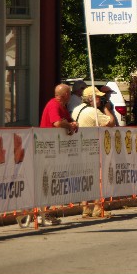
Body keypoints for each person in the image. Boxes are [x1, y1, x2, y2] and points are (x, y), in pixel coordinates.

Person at [35, 83, 78, 226]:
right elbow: (57, 123)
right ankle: (42, 214)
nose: (71, 95)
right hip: (47, 150)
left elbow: (67, 119)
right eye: (70, 93)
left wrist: (73, 123)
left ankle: (43, 213)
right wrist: (70, 125)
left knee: (51, 182)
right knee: (46, 182)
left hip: (54, 150)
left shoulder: (61, 107)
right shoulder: (54, 105)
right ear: (65, 94)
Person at [71, 86, 115, 218]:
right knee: (97, 179)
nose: (100, 99)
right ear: (91, 99)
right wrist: (106, 109)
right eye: (98, 97)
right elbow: (111, 122)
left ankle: (85, 208)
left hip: (80, 149)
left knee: (85, 178)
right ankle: (97, 207)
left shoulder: (76, 109)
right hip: (92, 149)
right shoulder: (93, 112)